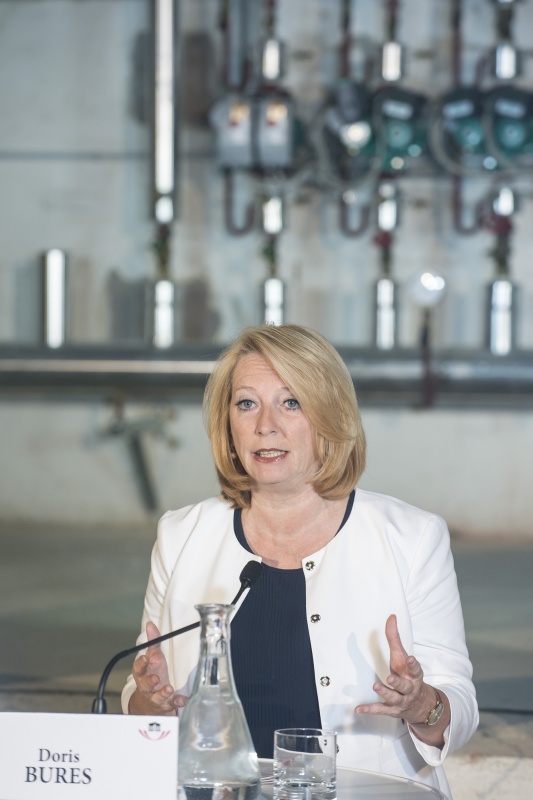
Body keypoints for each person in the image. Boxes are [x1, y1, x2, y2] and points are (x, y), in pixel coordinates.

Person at [122, 324, 478, 797]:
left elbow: (459, 709)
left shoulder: (412, 537)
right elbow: (140, 698)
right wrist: (150, 701)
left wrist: (421, 704)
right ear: (227, 423)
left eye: (291, 403)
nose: (265, 425)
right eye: (246, 404)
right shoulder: (181, 535)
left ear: (330, 416)